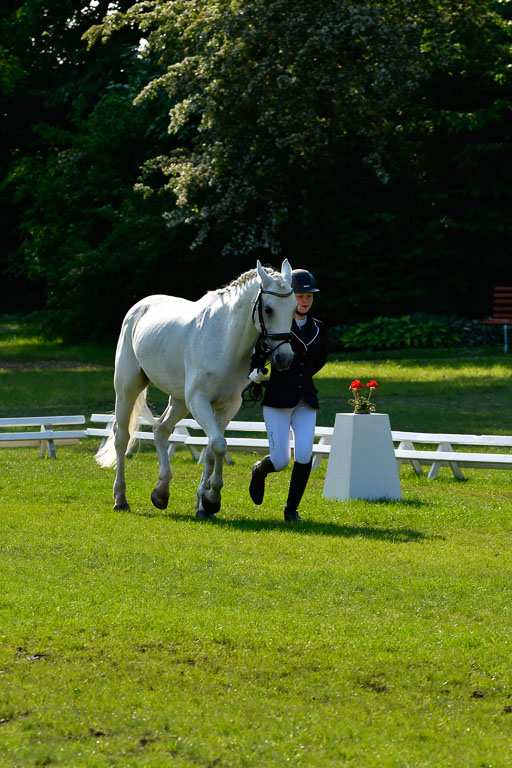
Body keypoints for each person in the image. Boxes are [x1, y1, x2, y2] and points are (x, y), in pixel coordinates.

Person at [248, 268, 327, 521]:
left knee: (304, 454)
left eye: (309, 297)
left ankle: (291, 510)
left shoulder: (319, 327)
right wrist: (257, 374)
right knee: (281, 460)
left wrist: (299, 378)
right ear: (292, 297)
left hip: (305, 399)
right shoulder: (276, 326)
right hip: (278, 400)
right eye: (300, 296)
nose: (305, 300)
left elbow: (320, 360)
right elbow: (258, 356)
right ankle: (260, 470)